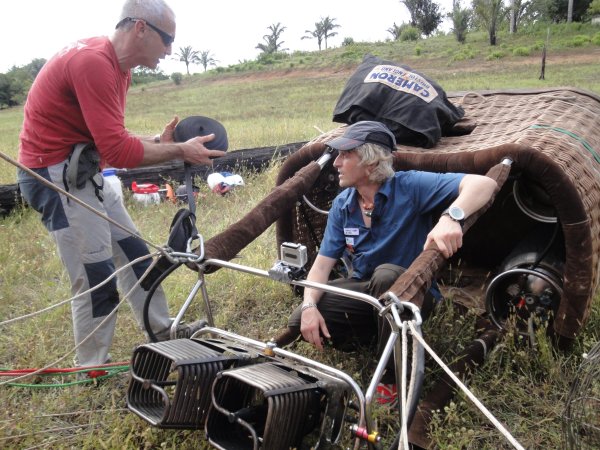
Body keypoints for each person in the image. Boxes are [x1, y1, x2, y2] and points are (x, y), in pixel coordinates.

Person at [17, 0, 225, 368]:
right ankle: (91, 366)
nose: (170, 50)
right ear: (140, 28)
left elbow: (110, 141)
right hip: (55, 179)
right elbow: (117, 150)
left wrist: (159, 144)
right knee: (94, 272)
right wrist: (180, 151)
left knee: (136, 256)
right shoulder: (94, 63)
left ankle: (163, 332)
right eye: (167, 40)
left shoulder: (119, 68)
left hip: (84, 170)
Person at [275, 120, 497, 400]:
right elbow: (321, 267)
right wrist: (308, 306)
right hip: (368, 293)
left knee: (386, 276)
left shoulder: (411, 186)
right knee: (299, 320)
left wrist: (451, 217)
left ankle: (392, 377)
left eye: (346, 155)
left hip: (413, 294)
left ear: (370, 162)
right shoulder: (343, 205)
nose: (336, 163)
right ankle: (381, 336)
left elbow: (484, 183)